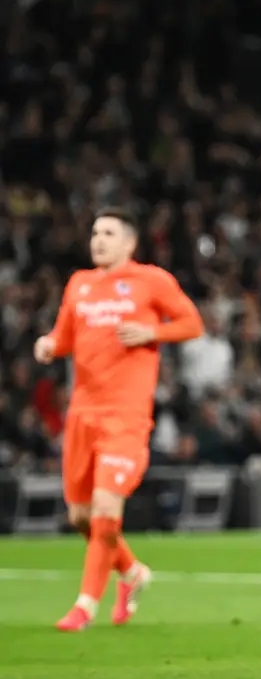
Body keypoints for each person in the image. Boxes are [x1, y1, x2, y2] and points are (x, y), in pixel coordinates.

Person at [35, 207, 204, 631]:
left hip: (125, 416)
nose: (99, 239)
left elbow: (192, 323)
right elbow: (65, 337)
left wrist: (153, 333)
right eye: (94, 232)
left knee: (106, 510)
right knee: (81, 519)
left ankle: (84, 607)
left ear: (129, 243)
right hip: (82, 414)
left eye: (108, 232)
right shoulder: (80, 284)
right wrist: (48, 345)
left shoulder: (152, 280)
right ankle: (131, 573)